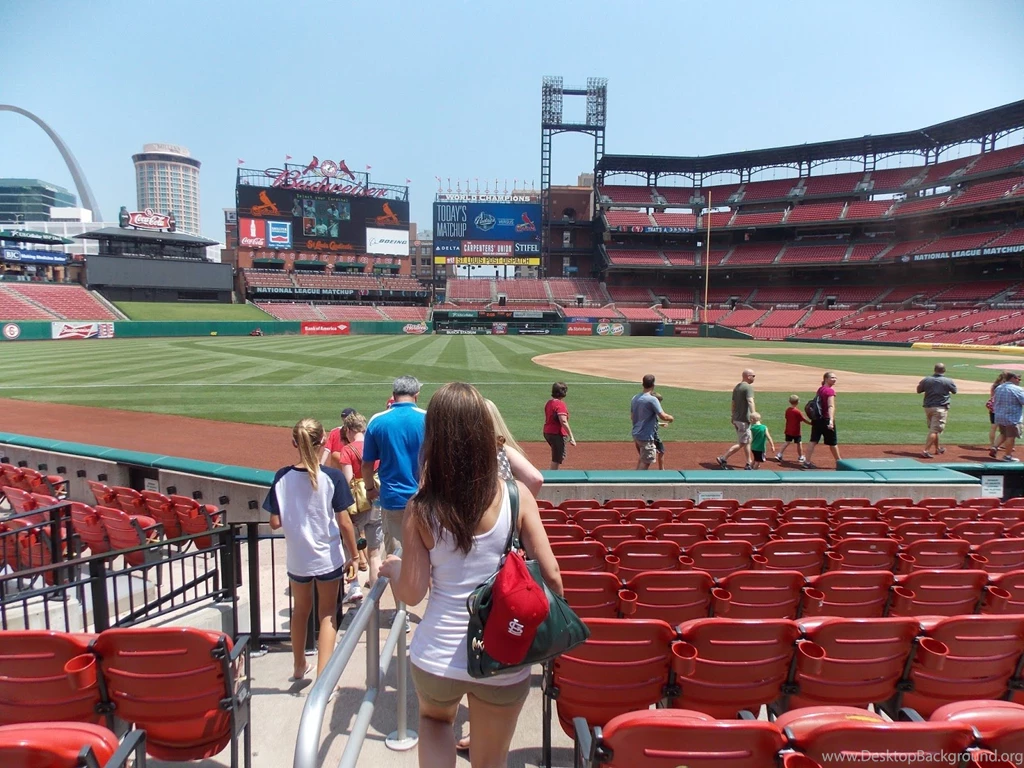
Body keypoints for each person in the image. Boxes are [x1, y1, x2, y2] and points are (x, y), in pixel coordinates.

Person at [378, 382, 562, 768]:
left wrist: (394, 569)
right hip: (503, 654)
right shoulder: (517, 496)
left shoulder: (421, 507)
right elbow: (553, 578)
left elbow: (412, 594)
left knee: (434, 723)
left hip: (436, 656)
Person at [456, 399, 545, 753]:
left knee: (470, 631)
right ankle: (482, 729)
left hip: (465, 552)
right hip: (504, 555)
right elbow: (535, 479)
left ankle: (474, 720)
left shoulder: (458, 453)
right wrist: (518, 511)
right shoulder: (502, 450)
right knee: (497, 632)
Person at [263, 419, 358, 681]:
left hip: (298, 559)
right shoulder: (332, 477)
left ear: (295, 443)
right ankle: (323, 678)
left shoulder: (282, 477)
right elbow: (345, 523)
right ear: (323, 440)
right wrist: (354, 555)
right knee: (327, 615)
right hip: (327, 557)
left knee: (300, 611)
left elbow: (274, 522)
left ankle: (298, 666)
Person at [362, 376, 427, 556]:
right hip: (425, 498)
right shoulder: (429, 418)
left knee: (396, 558)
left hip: (393, 499)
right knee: (426, 556)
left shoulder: (378, 420)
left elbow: (367, 464)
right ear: (416, 395)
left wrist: (369, 488)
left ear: (394, 394)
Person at [337, 411, 382, 593]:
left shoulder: (347, 450)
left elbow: (348, 481)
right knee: (375, 554)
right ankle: (375, 597)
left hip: (358, 505)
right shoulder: (376, 445)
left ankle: (354, 587)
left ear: (349, 429)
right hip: (376, 500)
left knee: (351, 548)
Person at [631, 374, 674, 470]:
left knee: (642, 459)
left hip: (636, 434)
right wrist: (671, 418)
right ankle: (638, 479)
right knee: (646, 462)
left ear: (643, 384)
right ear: (653, 385)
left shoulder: (635, 398)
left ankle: (635, 477)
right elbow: (663, 416)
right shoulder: (652, 399)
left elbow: (632, 417)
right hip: (646, 436)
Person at [717, 369, 756, 470]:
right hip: (743, 419)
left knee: (747, 440)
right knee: (742, 442)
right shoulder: (748, 387)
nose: (754, 378)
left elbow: (733, 403)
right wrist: (754, 414)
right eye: (753, 376)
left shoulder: (737, 387)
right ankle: (723, 458)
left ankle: (749, 462)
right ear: (748, 376)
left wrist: (733, 416)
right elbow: (750, 401)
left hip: (737, 419)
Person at [917, 363, 958, 458]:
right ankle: (926, 451)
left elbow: (919, 390)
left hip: (928, 407)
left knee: (934, 429)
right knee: (934, 430)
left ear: (934, 369)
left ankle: (937, 448)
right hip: (940, 408)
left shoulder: (926, 379)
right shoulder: (948, 381)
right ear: (944, 370)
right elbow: (954, 391)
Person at [804, 372, 841, 468]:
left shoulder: (820, 389)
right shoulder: (830, 391)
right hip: (826, 419)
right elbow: (831, 406)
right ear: (826, 379)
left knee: (813, 440)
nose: (834, 379)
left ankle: (806, 462)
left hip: (817, 419)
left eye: (835, 378)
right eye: (832, 377)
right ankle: (839, 462)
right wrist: (831, 420)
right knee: (833, 443)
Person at [990, 372, 1024, 462]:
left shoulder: (999, 387)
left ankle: (994, 447)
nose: (1019, 381)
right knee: (1011, 437)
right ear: (1013, 378)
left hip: (1000, 416)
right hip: (1012, 417)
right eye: (1018, 379)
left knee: (1004, 434)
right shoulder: (1017, 389)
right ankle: (1007, 456)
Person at [542, 382, 576, 470]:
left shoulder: (549, 403)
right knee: (557, 458)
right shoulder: (560, 404)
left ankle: (553, 473)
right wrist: (571, 436)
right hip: (557, 433)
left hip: (547, 432)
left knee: (558, 455)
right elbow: (563, 421)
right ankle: (552, 476)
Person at [776, 394, 812, 464]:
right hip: (796, 431)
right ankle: (801, 456)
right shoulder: (797, 411)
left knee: (787, 442)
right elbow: (803, 419)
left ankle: (779, 454)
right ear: (798, 402)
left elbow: (787, 417)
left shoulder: (787, 410)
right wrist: (811, 423)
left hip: (788, 430)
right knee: (799, 443)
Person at [988, 372, 1010, 447]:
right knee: (1005, 428)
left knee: (994, 428)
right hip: (1002, 409)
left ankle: (992, 445)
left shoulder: (995, 386)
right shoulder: (1005, 387)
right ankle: (1003, 444)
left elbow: (992, 397)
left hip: (994, 409)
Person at [653, 392, 668, 470]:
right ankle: (662, 470)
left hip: (648, 434)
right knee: (661, 451)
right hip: (653, 434)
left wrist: (661, 424)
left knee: (646, 453)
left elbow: (653, 422)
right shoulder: (654, 410)